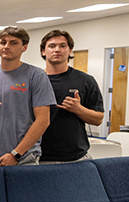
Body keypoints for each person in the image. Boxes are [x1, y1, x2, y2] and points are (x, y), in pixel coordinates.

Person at [0, 27, 56, 166]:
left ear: (24, 47)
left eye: (13, 43)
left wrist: (16, 154)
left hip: (24, 158)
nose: (6, 47)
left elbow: (43, 121)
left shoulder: (36, 75)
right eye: (3, 42)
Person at [40, 30, 104, 163]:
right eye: (52, 46)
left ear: (70, 51)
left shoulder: (86, 80)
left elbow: (98, 119)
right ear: (43, 51)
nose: (57, 50)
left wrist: (78, 109)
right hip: (38, 157)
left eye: (63, 46)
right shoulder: (34, 80)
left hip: (75, 158)